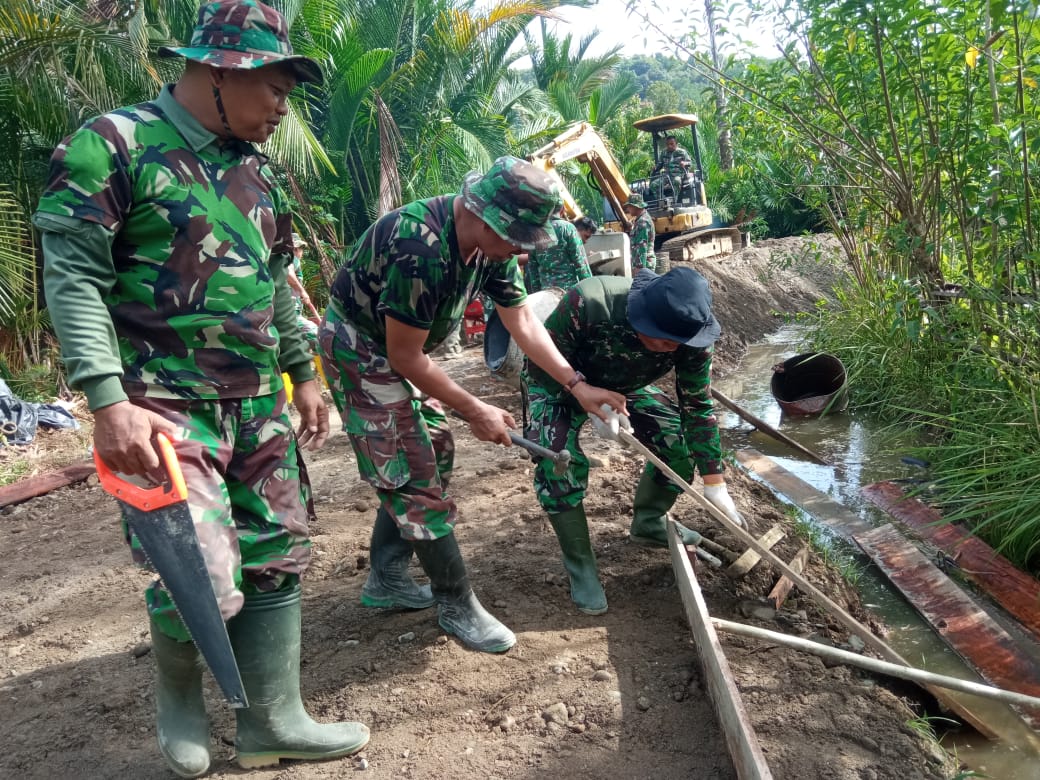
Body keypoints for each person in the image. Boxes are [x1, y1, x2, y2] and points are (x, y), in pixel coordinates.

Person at [33, 1, 368, 775]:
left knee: (277, 550)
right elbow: (73, 278)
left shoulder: (258, 169)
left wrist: (303, 374)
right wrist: (106, 399)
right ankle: (180, 703)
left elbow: (276, 279)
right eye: (275, 87)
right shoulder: (112, 144)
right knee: (197, 565)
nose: (282, 107)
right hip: (160, 406)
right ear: (220, 70)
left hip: (259, 404)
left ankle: (274, 722)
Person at [319, 155, 626, 654]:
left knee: (436, 449)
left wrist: (577, 385)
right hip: (360, 348)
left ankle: (387, 576)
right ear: (486, 217)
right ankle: (456, 603)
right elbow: (403, 356)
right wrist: (475, 408)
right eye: (516, 239)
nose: (520, 252)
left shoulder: (491, 247)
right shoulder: (419, 246)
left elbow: (521, 320)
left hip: (404, 349)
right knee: (411, 469)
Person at [523, 267, 746, 615]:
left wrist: (715, 483)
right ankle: (581, 567)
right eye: (662, 340)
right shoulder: (591, 302)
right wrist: (585, 397)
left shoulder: (692, 336)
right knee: (559, 459)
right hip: (557, 381)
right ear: (641, 315)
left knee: (676, 443)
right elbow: (540, 358)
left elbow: (697, 406)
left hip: (623, 386)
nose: (670, 349)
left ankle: (648, 522)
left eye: (677, 343)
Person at [525, 207, 593, 293]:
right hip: (568, 293)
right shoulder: (568, 228)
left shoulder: (534, 232)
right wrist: (590, 291)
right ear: (562, 210)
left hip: (545, 293)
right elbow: (581, 264)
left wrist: (537, 294)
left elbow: (532, 270)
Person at [288, 232, 320, 354]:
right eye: (301, 249)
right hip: (289, 315)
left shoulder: (287, 261)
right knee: (317, 336)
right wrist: (302, 291)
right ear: (296, 249)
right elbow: (288, 273)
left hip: (292, 312)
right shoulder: (292, 259)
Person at [651, 134, 692, 204]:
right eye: (667, 144)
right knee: (653, 185)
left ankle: (674, 201)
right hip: (666, 176)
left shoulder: (682, 152)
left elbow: (690, 163)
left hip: (678, 175)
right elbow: (660, 164)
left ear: (676, 144)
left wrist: (685, 163)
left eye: (672, 144)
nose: (669, 146)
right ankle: (663, 201)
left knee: (677, 181)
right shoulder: (664, 152)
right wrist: (655, 167)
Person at [623, 194, 657, 272]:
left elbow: (642, 247)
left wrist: (640, 268)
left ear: (635, 206)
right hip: (644, 264)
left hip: (644, 265)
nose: (628, 209)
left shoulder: (642, 222)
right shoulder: (641, 220)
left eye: (629, 206)